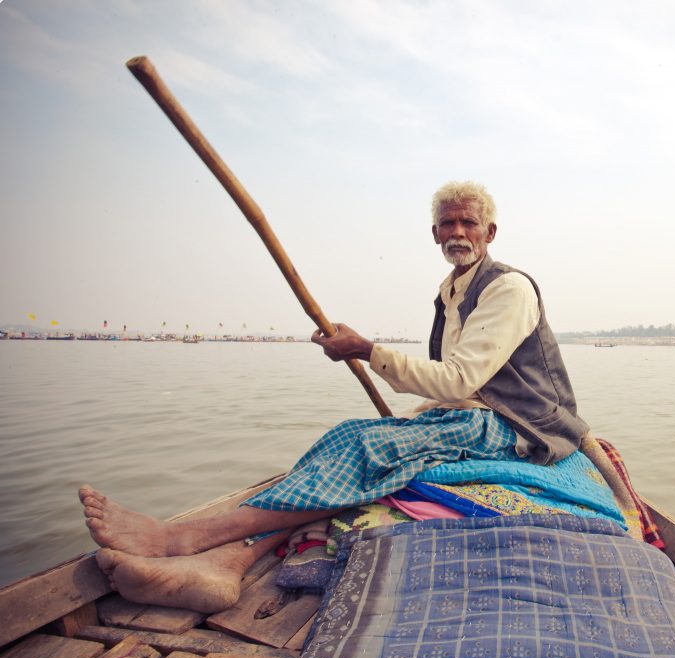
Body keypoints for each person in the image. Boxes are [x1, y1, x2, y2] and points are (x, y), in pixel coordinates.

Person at [78, 181, 590, 612]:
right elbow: (459, 386)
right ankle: (226, 562)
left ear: (489, 232)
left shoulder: (509, 289)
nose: (458, 233)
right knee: (343, 438)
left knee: (367, 451)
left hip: (520, 425)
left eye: (469, 224)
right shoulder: (451, 290)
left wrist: (366, 349)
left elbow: (458, 380)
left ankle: (182, 538)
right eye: (448, 224)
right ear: (434, 233)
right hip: (474, 412)